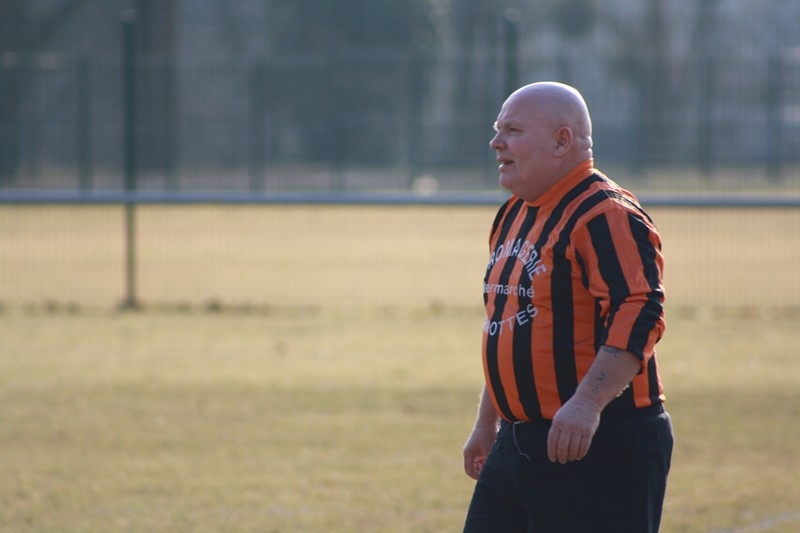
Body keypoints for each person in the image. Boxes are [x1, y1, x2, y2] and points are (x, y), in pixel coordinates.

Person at [462, 81, 673, 533]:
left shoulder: (605, 214)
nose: (496, 142)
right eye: (498, 129)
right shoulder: (514, 212)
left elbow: (639, 311)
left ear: (562, 141)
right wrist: (488, 421)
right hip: (517, 442)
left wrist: (586, 404)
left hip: (596, 440)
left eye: (513, 130)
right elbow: (509, 324)